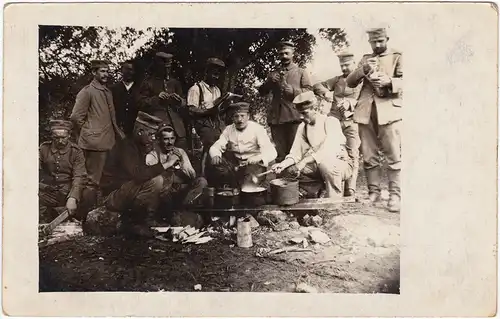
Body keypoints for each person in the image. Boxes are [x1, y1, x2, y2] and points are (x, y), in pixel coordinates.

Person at [346, 28, 402, 212]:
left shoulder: (397, 56)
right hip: (366, 112)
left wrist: (389, 82)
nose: (377, 45)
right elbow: (350, 82)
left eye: (380, 41)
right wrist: (363, 69)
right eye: (373, 42)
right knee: (369, 155)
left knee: (393, 155)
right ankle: (374, 193)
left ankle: (395, 195)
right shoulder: (365, 58)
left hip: (389, 112)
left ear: (387, 38)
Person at [100, 112, 175, 237]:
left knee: (159, 180)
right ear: (140, 132)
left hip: (126, 191)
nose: (153, 138)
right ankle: (135, 223)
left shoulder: (138, 146)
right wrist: (167, 164)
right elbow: (138, 175)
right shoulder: (126, 147)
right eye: (150, 134)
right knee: (156, 181)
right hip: (113, 196)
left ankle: (144, 220)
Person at [271, 91, 353, 199]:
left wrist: (304, 161)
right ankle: (316, 193)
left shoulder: (330, 122)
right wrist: (283, 164)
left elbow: (328, 150)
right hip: (317, 165)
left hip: (339, 164)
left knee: (326, 166)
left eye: (304, 113)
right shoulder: (303, 127)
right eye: (299, 113)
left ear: (315, 108)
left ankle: (334, 203)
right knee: (291, 171)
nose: (300, 117)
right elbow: (296, 153)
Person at [70, 59, 125, 191]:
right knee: (91, 180)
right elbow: (76, 117)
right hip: (94, 143)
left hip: (108, 141)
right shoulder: (87, 91)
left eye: (107, 71)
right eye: (102, 71)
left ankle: (97, 208)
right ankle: (84, 208)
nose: (106, 74)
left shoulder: (106, 91)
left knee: (104, 179)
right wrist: (89, 131)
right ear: (94, 72)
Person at [313, 51, 362, 197]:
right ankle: (331, 183)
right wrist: (326, 93)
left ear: (354, 64)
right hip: (334, 122)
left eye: (347, 65)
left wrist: (351, 103)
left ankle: (350, 188)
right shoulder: (337, 80)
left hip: (352, 121)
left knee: (353, 152)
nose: (345, 68)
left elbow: (366, 100)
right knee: (330, 151)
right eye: (342, 65)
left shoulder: (361, 81)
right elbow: (317, 86)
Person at [259, 40, 313, 162]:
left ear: (293, 54)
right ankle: (280, 180)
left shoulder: (301, 72)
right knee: (280, 154)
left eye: (286, 53)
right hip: (276, 118)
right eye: (281, 54)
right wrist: (269, 82)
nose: (284, 56)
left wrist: (294, 91)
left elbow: (309, 92)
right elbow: (262, 92)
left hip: (294, 117)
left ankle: (294, 180)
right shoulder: (273, 74)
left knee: (295, 152)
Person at [208, 102, 277, 188]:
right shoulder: (229, 129)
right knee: (217, 168)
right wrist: (215, 155)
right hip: (237, 165)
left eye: (242, 116)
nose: (240, 120)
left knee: (247, 189)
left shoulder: (257, 129)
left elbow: (271, 151)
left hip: (256, 165)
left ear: (248, 116)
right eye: (236, 116)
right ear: (232, 118)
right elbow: (216, 146)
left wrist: (258, 158)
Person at [39, 120, 93, 223]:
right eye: (56, 138)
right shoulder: (44, 149)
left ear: (69, 136)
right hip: (49, 191)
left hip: (68, 191)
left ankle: (77, 218)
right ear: (51, 136)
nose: (60, 141)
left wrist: (73, 197)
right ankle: (47, 216)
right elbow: (32, 170)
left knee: (87, 194)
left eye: (63, 138)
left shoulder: (76, 152)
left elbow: (79, 176)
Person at [145, 124, 208, 209]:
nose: (170, 142)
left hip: (181, 189)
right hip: (165, 192)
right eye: (166, 139)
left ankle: (184, 208)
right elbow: (152, 180)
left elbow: (192, 175)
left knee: (202, 181)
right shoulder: (153, 154)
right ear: (159, 140)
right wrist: (168, 163)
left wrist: (181, 161)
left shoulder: (180, 152)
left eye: (172, 138)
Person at [139, 52, 189, 150]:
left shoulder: (175, 83)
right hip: (156, 124)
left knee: (181, 148)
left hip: (177, 125)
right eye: (164, 68)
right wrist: (157, 98)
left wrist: (179, 101)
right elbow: (141, 103)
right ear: (157, 66)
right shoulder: (148, 82)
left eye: (169, 67)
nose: (167, 70)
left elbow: (185, 104)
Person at [186, 57, 228, 152]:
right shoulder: (196, 88)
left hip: (216, 123)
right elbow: (191, 110)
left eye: (218, 75)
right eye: (214, 74)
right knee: (211, 142)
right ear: (206, 72)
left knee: (229, 138)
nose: (216, 77)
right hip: (202, 124)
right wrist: (207, 111)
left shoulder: (217, 90)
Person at [111, 60, 141, 138]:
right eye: (126, 69)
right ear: (122, 70)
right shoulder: (113, 89)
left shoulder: (140, 89)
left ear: (134, 71)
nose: (129, 72)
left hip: (135, 130)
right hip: (116, 130)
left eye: (131, 70)